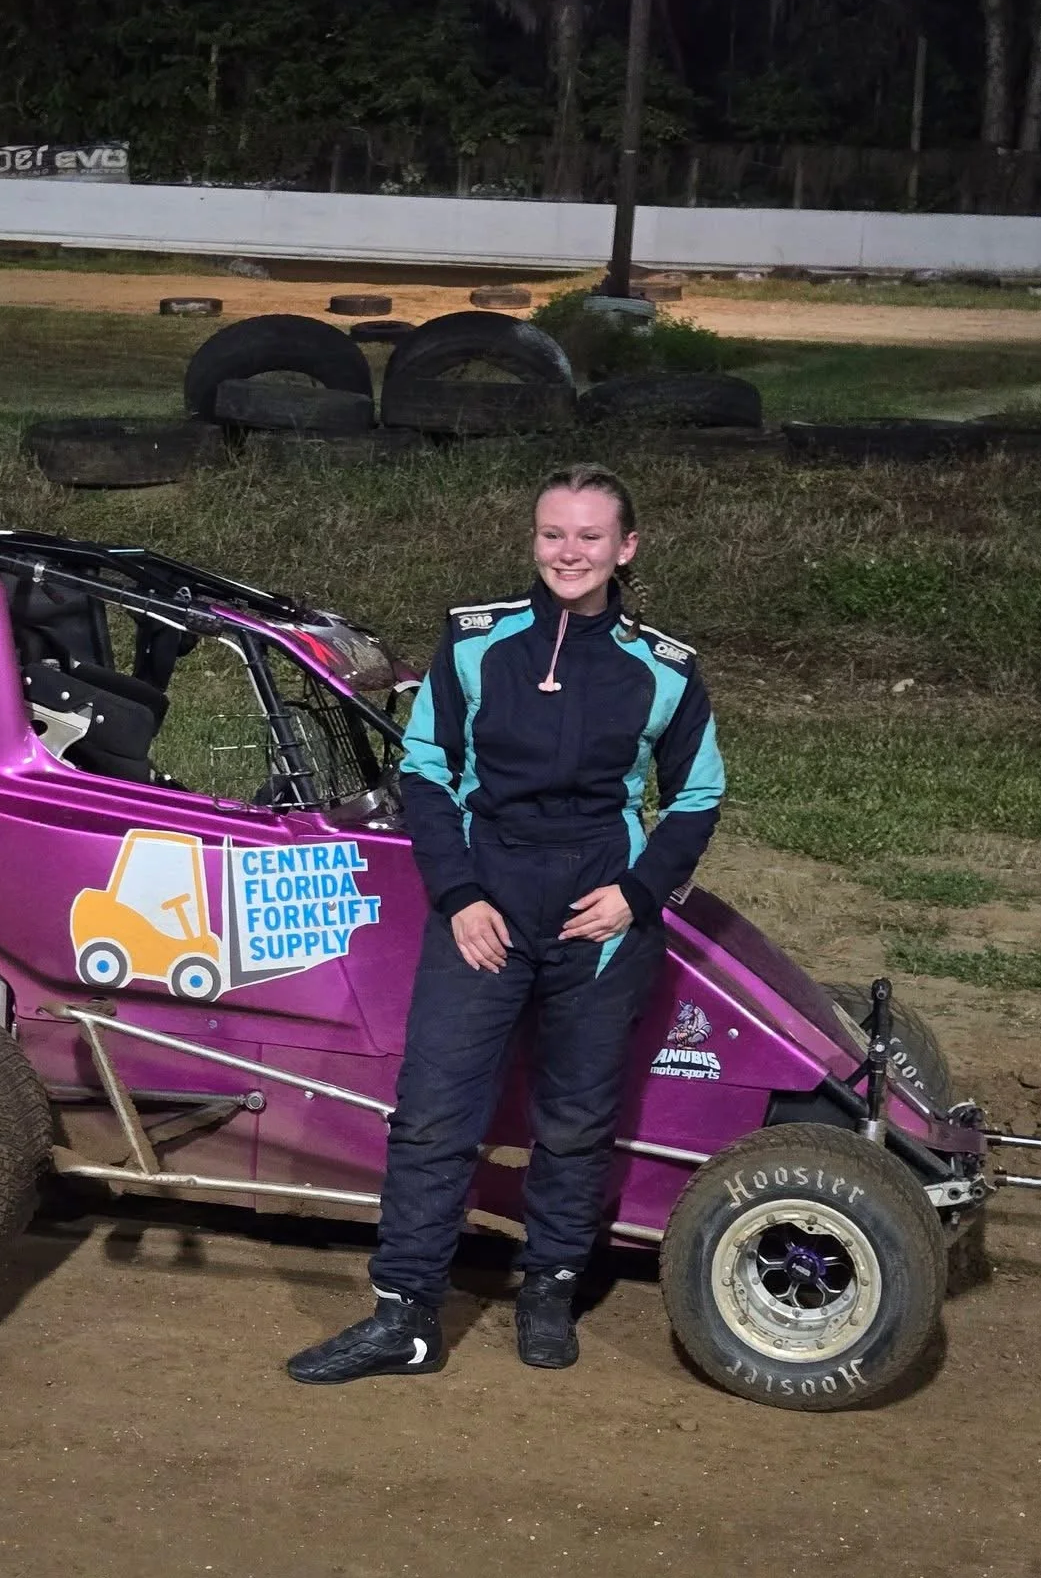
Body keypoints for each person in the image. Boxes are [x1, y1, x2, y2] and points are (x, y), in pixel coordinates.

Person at [286, 464, 725, 1384]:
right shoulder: (478, 641)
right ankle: (405, 1316)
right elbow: (424, 770)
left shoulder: (666, 668)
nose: (570, 552)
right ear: (535, 540)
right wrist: (458, 896)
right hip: (486, 901)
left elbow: (697, 796)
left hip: (600, 915)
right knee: (435, 1113)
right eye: (553, 534)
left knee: (573, 1119)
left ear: (626, 549)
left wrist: (637, 897)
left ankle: (548, 1290)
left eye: (590, 537)